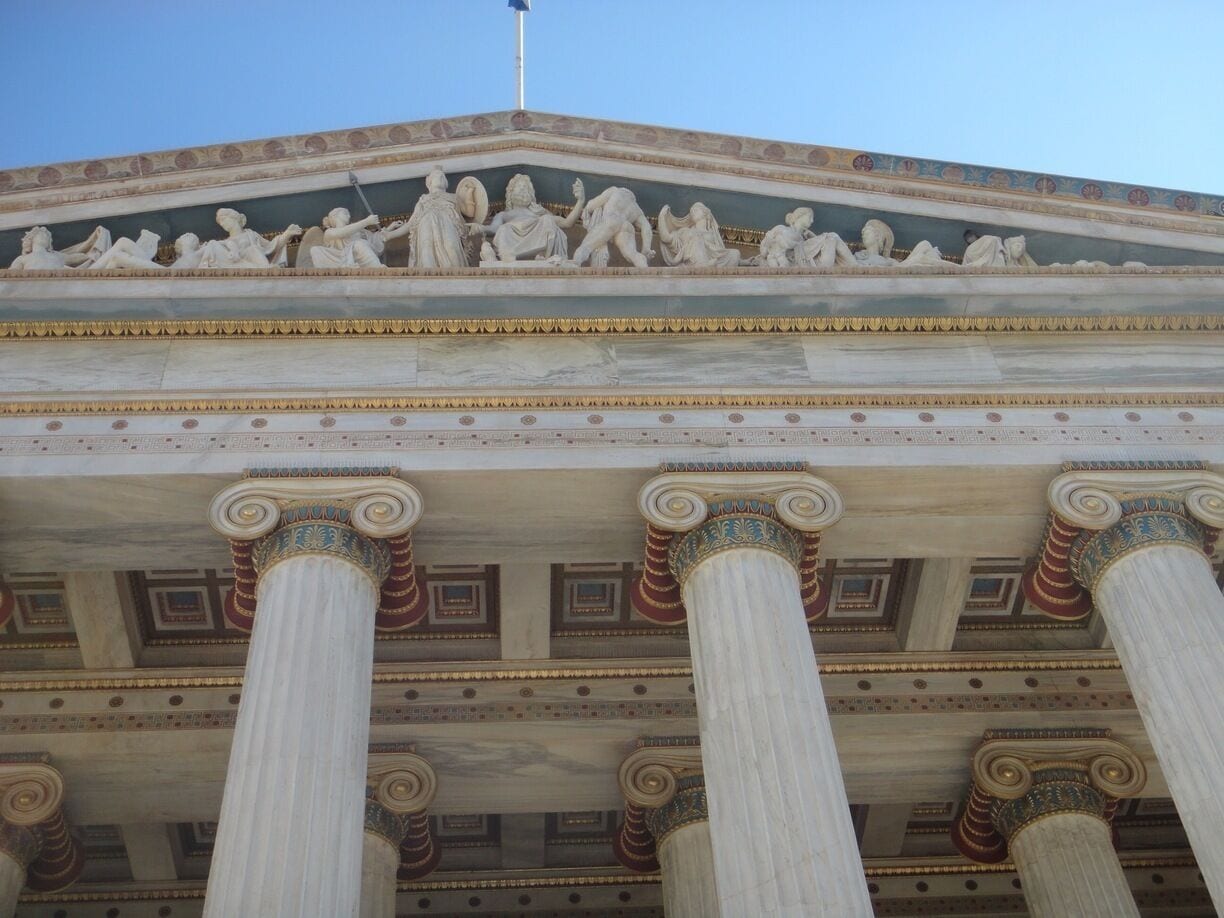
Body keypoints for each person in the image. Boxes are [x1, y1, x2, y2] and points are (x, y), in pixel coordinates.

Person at [476, 174, 584, 262]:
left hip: (537, 235)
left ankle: (544, 255)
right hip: (512, 241)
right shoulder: (504, 215)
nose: (523, 189)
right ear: (510, 193)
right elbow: (493, 229)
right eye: (519, 187)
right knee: (503, 230)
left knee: (547, 219)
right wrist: (480, 228)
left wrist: (580, 201)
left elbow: (567, 223)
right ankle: (508, 258)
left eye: (526, 188)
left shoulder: (540, 213)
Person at [406, 167, 480, 268]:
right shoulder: (423, 200)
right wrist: (388, 235)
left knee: (452, 247)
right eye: (436, 175)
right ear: (429, 183)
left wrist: (469, 192)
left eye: (442, 176)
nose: (440, 177)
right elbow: (411, 224)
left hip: (448, 224)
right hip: (427, 225)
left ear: (446, 183)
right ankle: (428, 278)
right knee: (427, 248)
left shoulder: (453, 197)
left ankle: (457, 276)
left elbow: (470, 212)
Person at [570, 186, 653, 268]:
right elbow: (646, 227)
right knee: (632, 254)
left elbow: (591, 206)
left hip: (612, 221)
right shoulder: (636, 208)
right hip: (626, 226)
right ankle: (643, 268)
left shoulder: (614, 191)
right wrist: (646, 248)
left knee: (587, 245)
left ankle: (575, 263)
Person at [197, 208, 301, 269]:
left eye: (224, 220)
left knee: (253, 249)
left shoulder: (251, 234)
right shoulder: (225, 243)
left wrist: (287, 234)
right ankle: (265, 270)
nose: (222, 224)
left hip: (254, 264)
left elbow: (271, 247)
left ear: (234, 218)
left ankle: (266, 270)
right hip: (236, 264)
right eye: (220, 223)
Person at [309, 208, 408, 268]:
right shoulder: (329, 232)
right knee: (315, 250)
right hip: (337, 258)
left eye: (348, 213)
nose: (348, 215)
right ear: (334, 217)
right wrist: (366, 222)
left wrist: (390, 227)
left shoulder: (359, 231)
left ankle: (377, 269)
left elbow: (375, 239)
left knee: (360, 243)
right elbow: (341, 232)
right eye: (344, 213)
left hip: (356, 257)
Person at [657, 202, 741, 267]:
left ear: (705, 213)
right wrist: (661, 217)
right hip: (696, 263)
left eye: (696, 210)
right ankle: (701, 264)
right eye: (691, 211)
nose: (693, 211)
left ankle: (707, 266)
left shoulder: (713, 234)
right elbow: (666, 238)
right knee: (696, 236)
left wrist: (745, 262)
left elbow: (721, 253)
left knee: (735, 253)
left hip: (713, 262)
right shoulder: (686, 231)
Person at [9, 224, 111, 270]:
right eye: (42, 235)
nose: (46, 238)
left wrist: (95, 242)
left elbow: (80, 257)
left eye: (48, 237)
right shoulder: (23, 259)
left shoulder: (57, 256)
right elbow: (10, 276)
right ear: (31, 239)